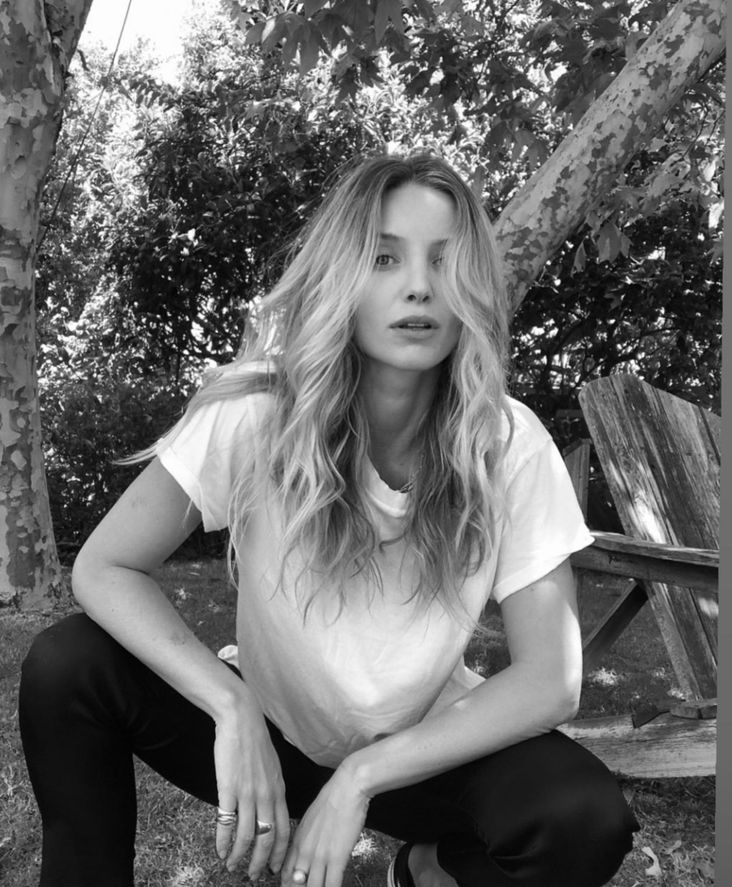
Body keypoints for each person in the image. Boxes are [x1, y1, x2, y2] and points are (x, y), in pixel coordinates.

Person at [19, 153, 639, 887]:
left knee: (584, 817)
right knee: (67, 665)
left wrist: (361, 776)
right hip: (273, 733)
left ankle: (429, 868)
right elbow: (102, 567)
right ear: (340, 275)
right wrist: (229, 705)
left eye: (445, 262)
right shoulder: (254, 416)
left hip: (418, 757)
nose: (418, 285)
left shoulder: (507, 442)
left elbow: (550, 679)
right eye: (383, 257)